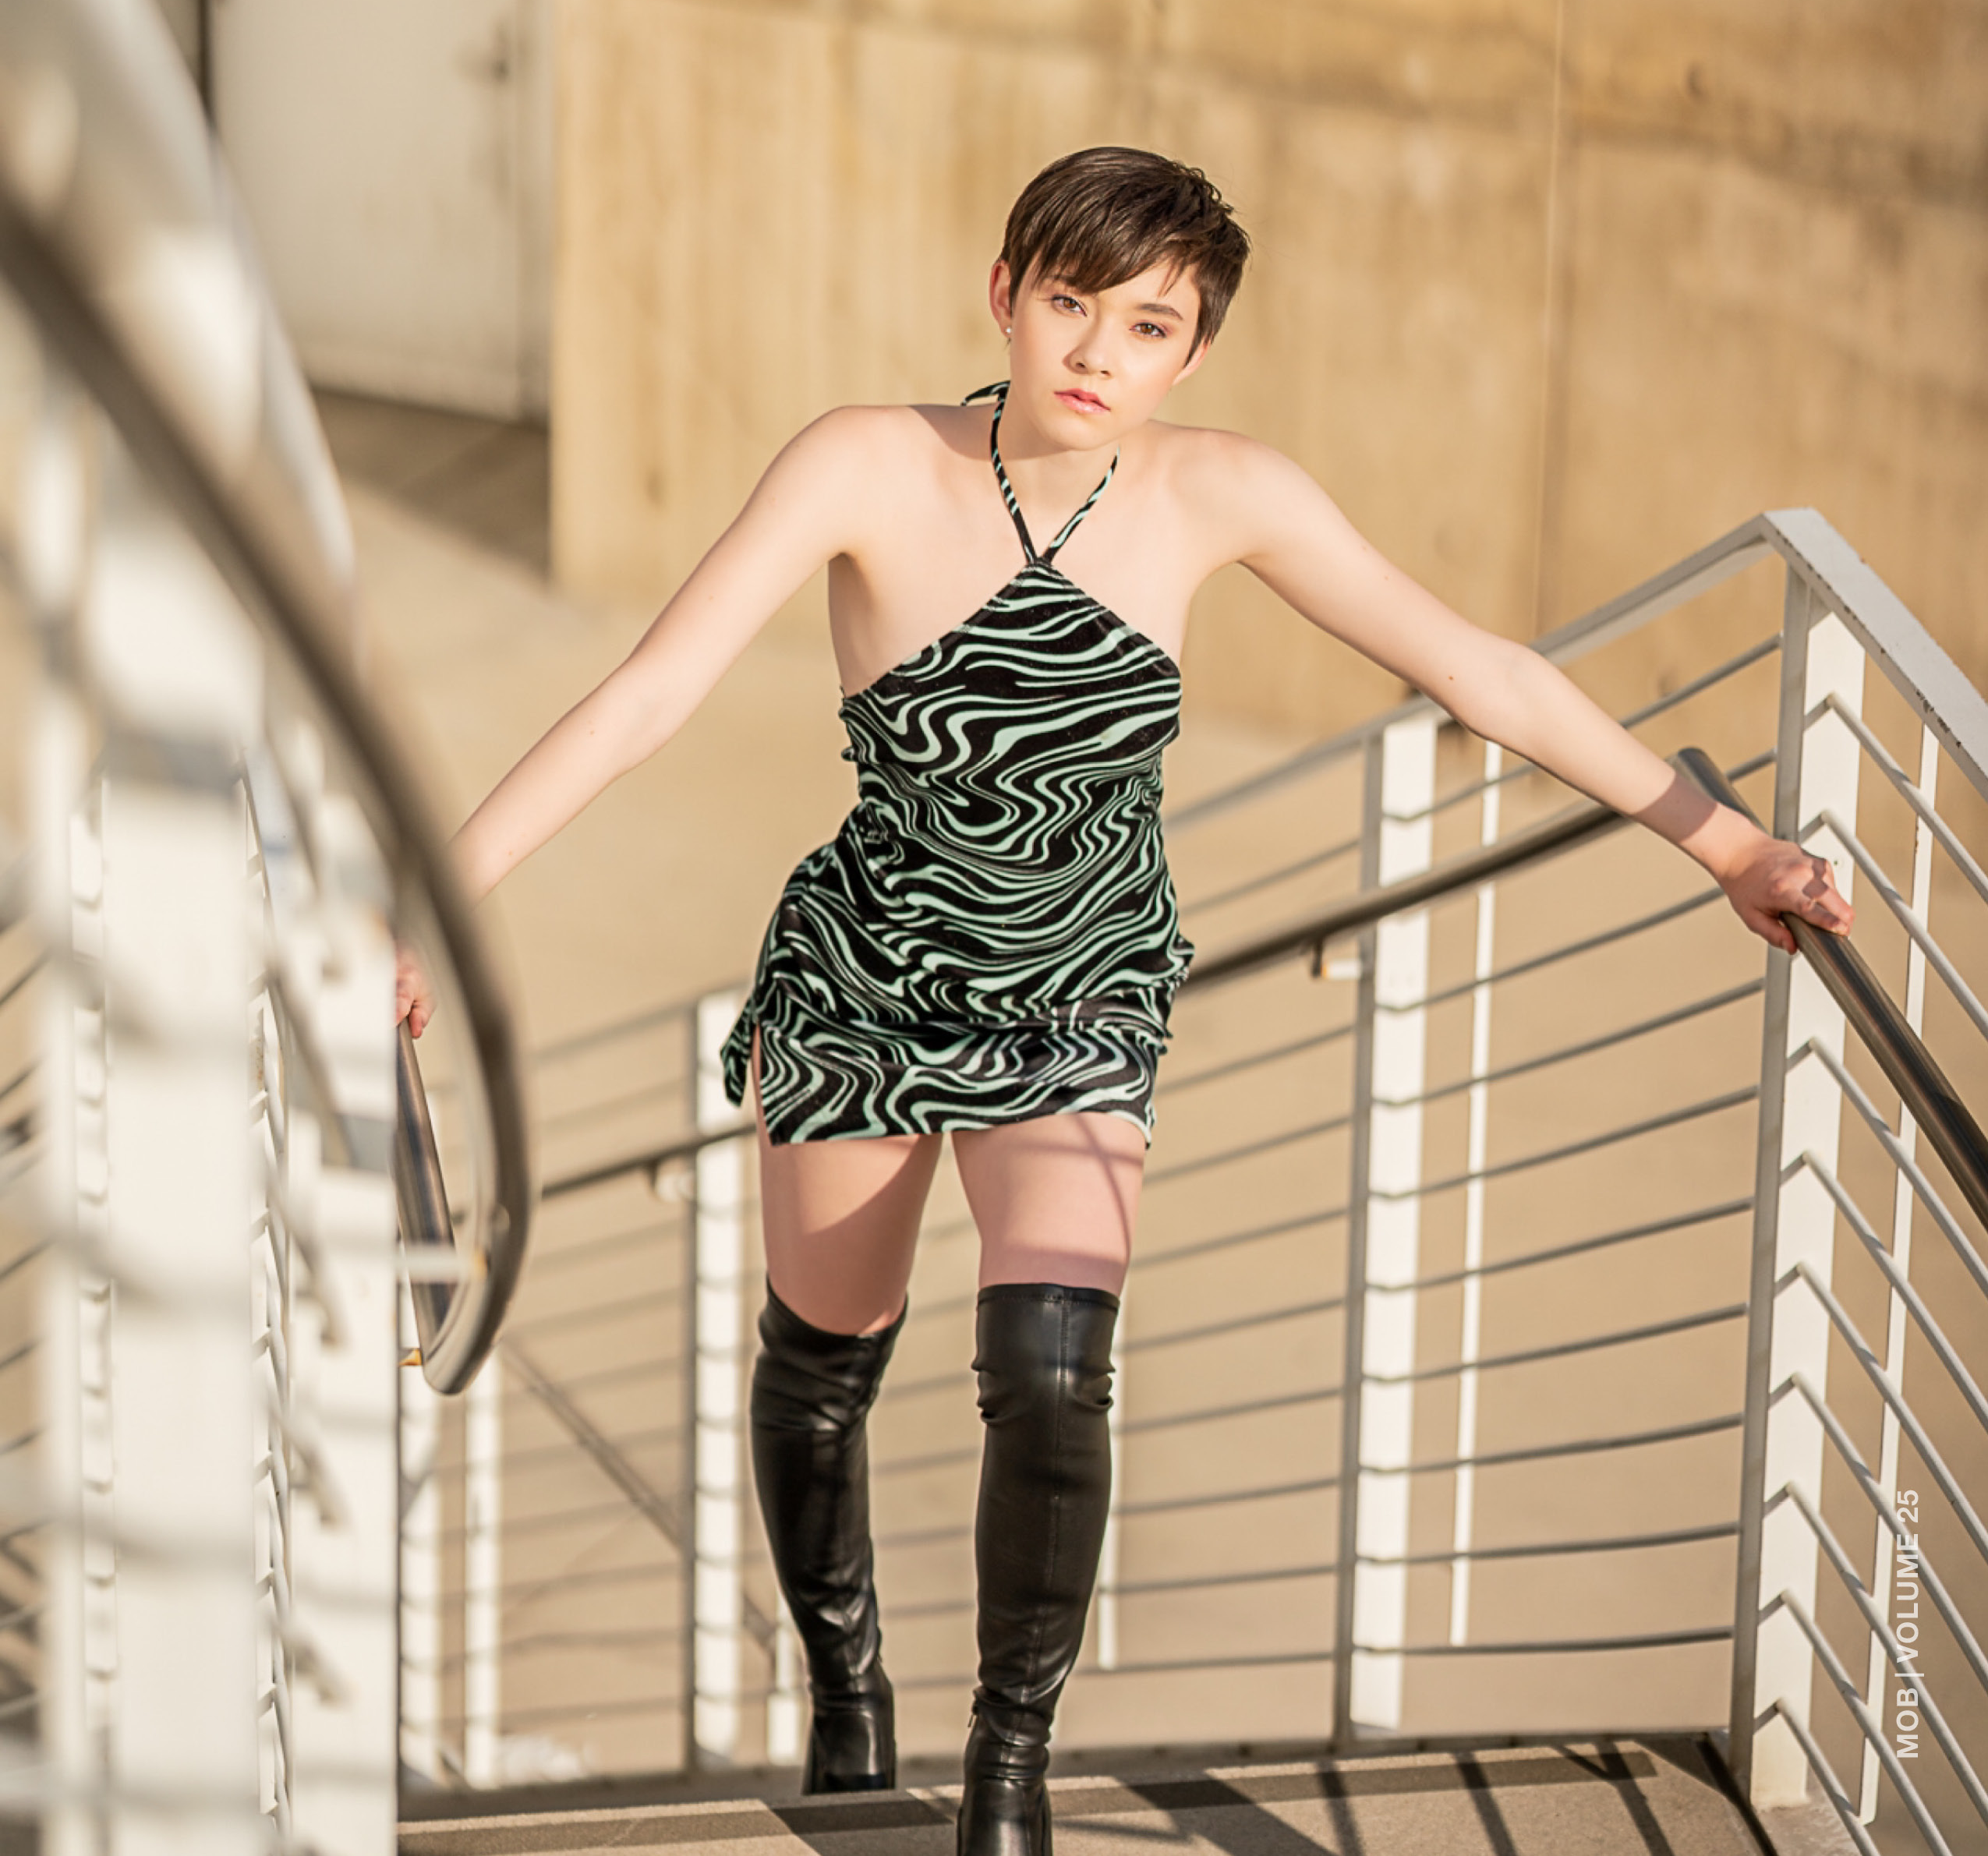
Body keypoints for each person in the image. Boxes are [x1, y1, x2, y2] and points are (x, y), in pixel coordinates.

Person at [399, 146, 1851, 1856]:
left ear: (1194, 350)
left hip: (1083, 984)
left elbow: (1481, 673)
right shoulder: (867, 462)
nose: (1098, 352)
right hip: (868, 975)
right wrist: (432, 908)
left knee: (1050, 1367)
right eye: (1070, 303)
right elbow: (651, 695)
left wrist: (1728, 846)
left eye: (1148, 326)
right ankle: (848, 1693)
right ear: (1005, 295)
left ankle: (1006, 1773)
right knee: (823, 1362)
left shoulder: (1220, 493)